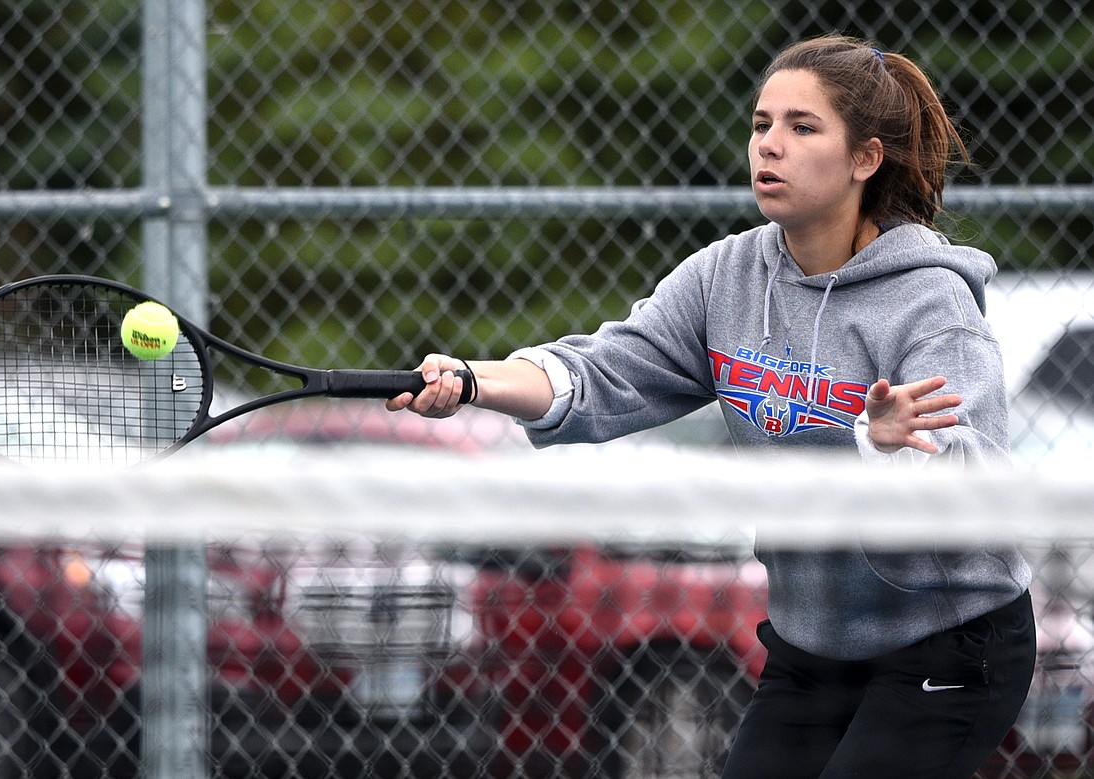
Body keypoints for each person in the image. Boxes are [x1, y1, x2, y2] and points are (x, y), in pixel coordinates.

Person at [387, 33, 1034, 779]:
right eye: (762, 124)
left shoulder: (932, 303)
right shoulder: (725, 277)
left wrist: (889, 447)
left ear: (865, 158)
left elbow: (987, 487)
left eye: (802, 127)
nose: (770, 146)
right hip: (813, 644)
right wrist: (473, 381)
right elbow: (604, 370)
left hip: (953, 640)